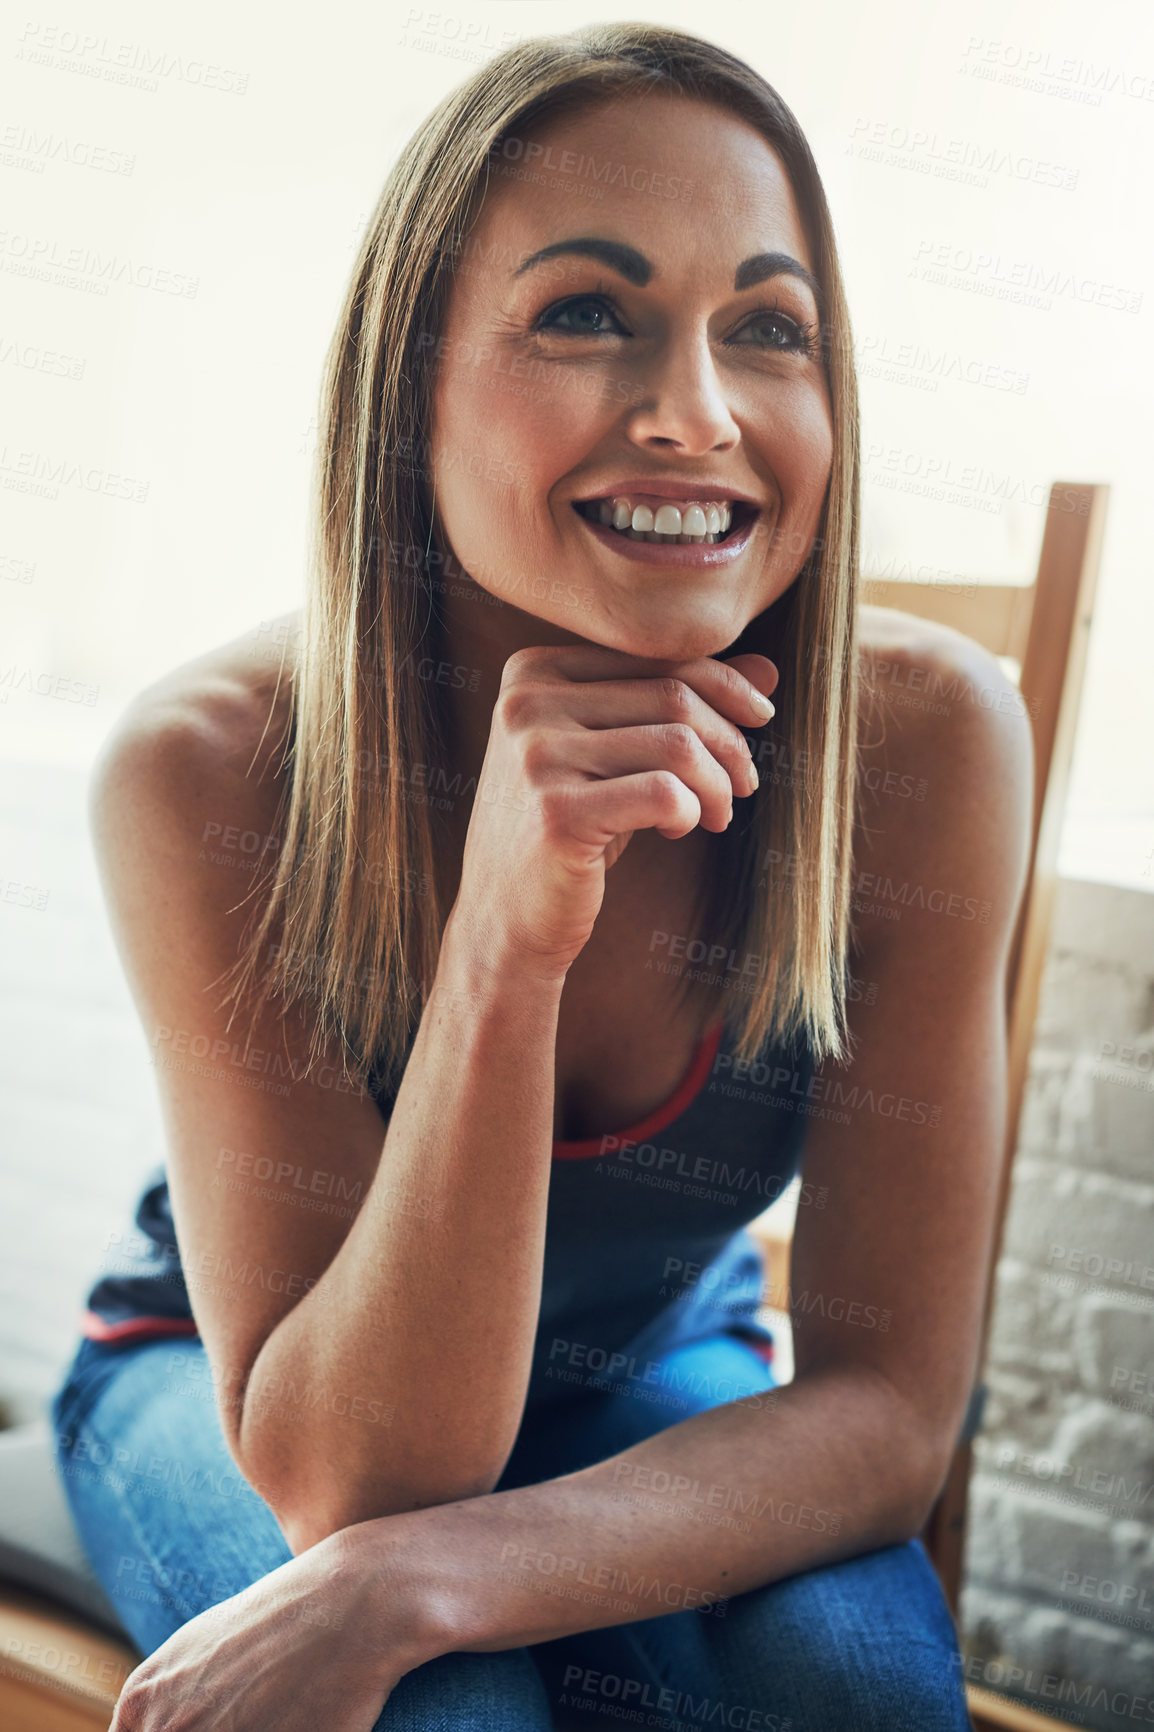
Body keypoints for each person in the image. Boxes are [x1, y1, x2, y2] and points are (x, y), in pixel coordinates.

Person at [51, 22, 1031, 1731]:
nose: (694, 416)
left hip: (652, 1358)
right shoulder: (205, 769)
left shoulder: (924, 742)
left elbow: (885, 1405)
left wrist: (440, 1577)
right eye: (588, 313)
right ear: (408, 377)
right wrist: (507, 936)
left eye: (768, 330)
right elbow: (350, 1478)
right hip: (235, 1393)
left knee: (851, 1697)